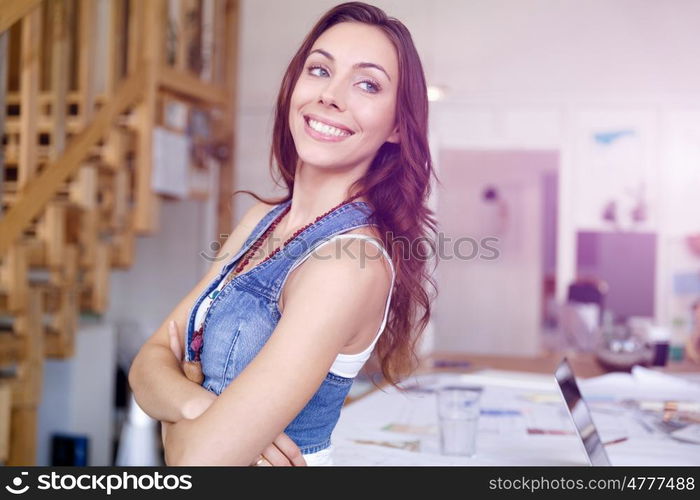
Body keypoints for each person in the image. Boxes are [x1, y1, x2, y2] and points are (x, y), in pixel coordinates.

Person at [128, 1, 437, 466]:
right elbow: (146, 362)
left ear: (396, 126)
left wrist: (175, 421)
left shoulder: (349, 263)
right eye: (319, 69)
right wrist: (200, 409)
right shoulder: (260, 220)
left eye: (367, 83)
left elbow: (196, 462)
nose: (331, 96)